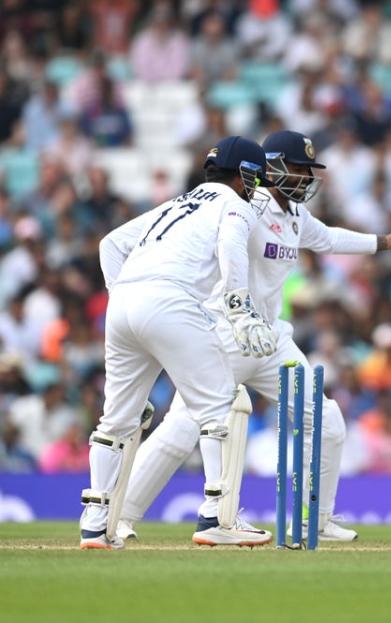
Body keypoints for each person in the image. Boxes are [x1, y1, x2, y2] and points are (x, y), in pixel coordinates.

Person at [117, 130, 391, 543]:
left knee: (327, 421)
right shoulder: (246, 206)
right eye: (299, 169)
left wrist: (386, 242)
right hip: (226, 333)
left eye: (309, 171)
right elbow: (219, 245)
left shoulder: (296, 216)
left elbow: (329, 239)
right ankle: (122, 516)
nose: (306, 178)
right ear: (274, 167)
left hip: (270, 341)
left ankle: (313, 520)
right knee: (182, 428)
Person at [83, 136, 277, 549]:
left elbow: (110, 244)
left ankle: (95, 522)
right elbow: (229, 247)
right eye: (257, 179)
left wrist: (122, 294)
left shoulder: (176, 203)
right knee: (219, 406)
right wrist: (239, 307)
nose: (258, 188)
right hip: (172, 300)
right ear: (245, 175)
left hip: (122, 304)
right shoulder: (234, 205)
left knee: (116, 419)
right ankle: (216, 517)